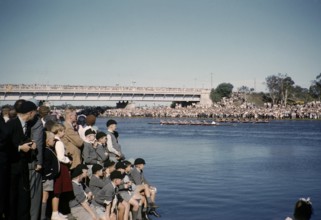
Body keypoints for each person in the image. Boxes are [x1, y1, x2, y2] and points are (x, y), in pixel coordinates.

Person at [6, 100, 38, 220]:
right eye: (34, 113)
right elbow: (4, 145)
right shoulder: (11, 124)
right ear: (30, 113)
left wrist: (30, 144)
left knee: (23, 197)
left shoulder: (26, 125)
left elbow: (20, 139)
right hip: (12, 168)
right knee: (12, 198)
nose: (35, 115)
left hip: (22, 167)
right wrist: (20, 148)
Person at [51, 123, 73, 220]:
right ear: (59, 131)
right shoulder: (58, 142)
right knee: (57, 191)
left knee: (57, 191)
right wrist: (68, 160)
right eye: (63, 131)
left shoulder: (53, 141)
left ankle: (56, 212)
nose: (64, 133)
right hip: (61, 167)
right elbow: (60, 157)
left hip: (56, 167)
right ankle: (55, 213)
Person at [28, 99, 45, 220]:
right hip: (33, 163)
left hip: (21, 162)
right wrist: (39, 162)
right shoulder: (37, 122)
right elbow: (38, 142)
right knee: (35, 193)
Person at [41, 131, 60, 220]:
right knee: (45, 197)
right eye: (53, 140)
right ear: (48, 141)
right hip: (48, 177)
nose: (54, 141)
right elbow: (46, 165)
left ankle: (44, 215)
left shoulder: (48, 150)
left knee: (46, 196)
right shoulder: (47, 151)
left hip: (49, 177)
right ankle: (42, 216)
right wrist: (50, 174)